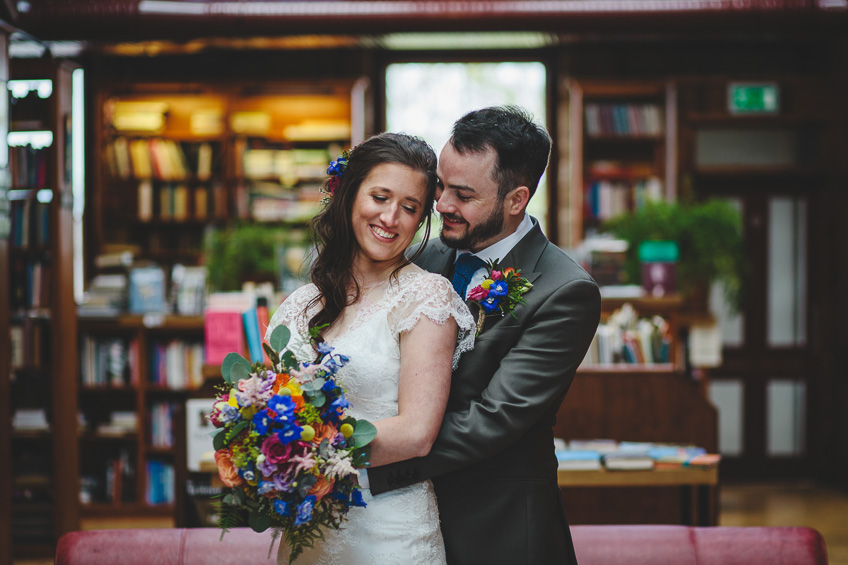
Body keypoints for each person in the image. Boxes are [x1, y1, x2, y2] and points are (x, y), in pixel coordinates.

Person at [367, 106, 602, 565]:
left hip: (499, 527)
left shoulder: (565, 290)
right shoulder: (424, 258)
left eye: (463, 194)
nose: (441, 205)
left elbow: (492, 419)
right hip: (401, 523)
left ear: (516, 200)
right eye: (440, 185)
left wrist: (360, 461)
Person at [265, 132, 476, 564]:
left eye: (409, 207)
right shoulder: (302, 303)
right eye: (379, 197)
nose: (391, 217)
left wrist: (305, 450)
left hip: (388, 531)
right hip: (307, 528)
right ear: (348, 196)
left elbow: (417, 433)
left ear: (420, 221)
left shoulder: (426, 296)